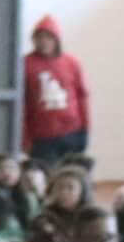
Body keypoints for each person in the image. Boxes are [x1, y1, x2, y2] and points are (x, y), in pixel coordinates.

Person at [21, 18, 90, 170]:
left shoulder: (71, 63)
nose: (44, 41)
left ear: (56, 40)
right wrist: (26, 139)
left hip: (72, 132)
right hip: (42, 137)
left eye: (48, 37)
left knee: (73, 174)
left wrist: (85, 129)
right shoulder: (25, 65)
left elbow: (82, 96)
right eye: (39, 37)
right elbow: (22, 104)